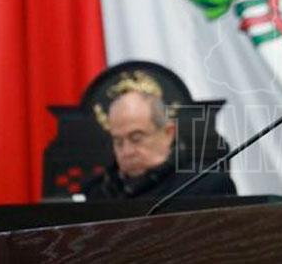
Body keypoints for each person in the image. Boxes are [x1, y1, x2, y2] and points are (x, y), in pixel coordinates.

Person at [83, 70, 236, 200]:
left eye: (136, 138)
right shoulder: (98, 192)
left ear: (168, 133)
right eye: (118, 142)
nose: (127, 151)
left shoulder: (205, 185)